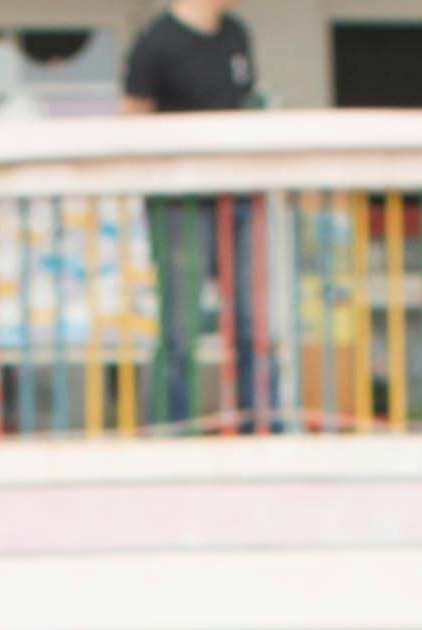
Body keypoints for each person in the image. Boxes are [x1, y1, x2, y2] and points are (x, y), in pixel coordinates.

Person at [121, 0, 266, 434]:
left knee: (252, 324)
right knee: (180, 330)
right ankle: (170, 434)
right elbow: (132, 124)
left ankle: (258, 428)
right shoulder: (154, 44)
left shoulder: (236, 35)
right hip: (180, 205)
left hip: (239, 197)